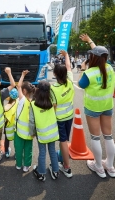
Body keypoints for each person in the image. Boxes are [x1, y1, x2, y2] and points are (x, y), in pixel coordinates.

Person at [78, 34, 115, 178]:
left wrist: (82, 69)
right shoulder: (110, 68)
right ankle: (110, 167)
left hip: (93, 108)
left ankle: (98, 166)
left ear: (93, 58)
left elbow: (81, 85)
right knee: (108, 136)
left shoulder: (89, 73)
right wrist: (90, 41)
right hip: (107, 106)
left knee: (95, 137)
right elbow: (100, 53)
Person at [50, 50, 75, 178]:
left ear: (54, 74)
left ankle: (67, 167)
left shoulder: (53, 88)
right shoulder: (70, 81)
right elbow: (69, 66)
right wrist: (66, 55)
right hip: (70, 116)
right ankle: (62, 158)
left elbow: (53, 106)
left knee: (63, 141)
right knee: (64, 140)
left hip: (59, 118)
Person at [30, 80, 59, 182]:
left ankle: (41, 173)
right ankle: (55, 171)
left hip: (41, 134)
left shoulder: (33, 104)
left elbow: (31, 121)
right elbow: (54, 96)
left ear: (37, 90)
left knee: (42, 153)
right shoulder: (52, 101)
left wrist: (32, 133)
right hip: (53, 132)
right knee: (52, 151)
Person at [14, 70, 35, 172]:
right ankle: (26, 166)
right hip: (29, 132)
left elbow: (18, 86)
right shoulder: (34, 103)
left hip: (19, 132)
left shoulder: (22, 100)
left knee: (18, 149)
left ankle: (18, 165)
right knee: (28, 150)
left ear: (24, 91)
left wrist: (22, 75)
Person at [4, 88, 19, 158]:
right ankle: (16, 154)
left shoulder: (6, 107)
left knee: (7, 139)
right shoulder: (18, 102)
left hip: (8, 126)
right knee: (16, 141)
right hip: (16, 125)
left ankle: (6, 152)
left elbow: (5, 119)